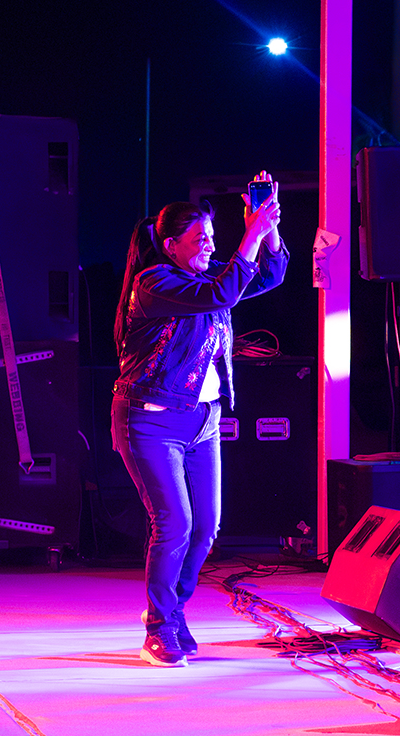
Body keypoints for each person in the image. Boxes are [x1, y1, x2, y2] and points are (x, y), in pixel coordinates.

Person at [111, 171, 288, 667]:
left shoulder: (209, 279)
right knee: (174, 523)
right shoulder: (155, 283)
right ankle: (159, 627)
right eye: (200, 239)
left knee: (205, 526)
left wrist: (267, 223)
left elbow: (268, 275)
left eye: (214, 237)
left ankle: (175, 613)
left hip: (202, 422)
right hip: (149, 420)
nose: (211, 246)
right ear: (170, 245)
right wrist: (249, 235)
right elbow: (224, 294)